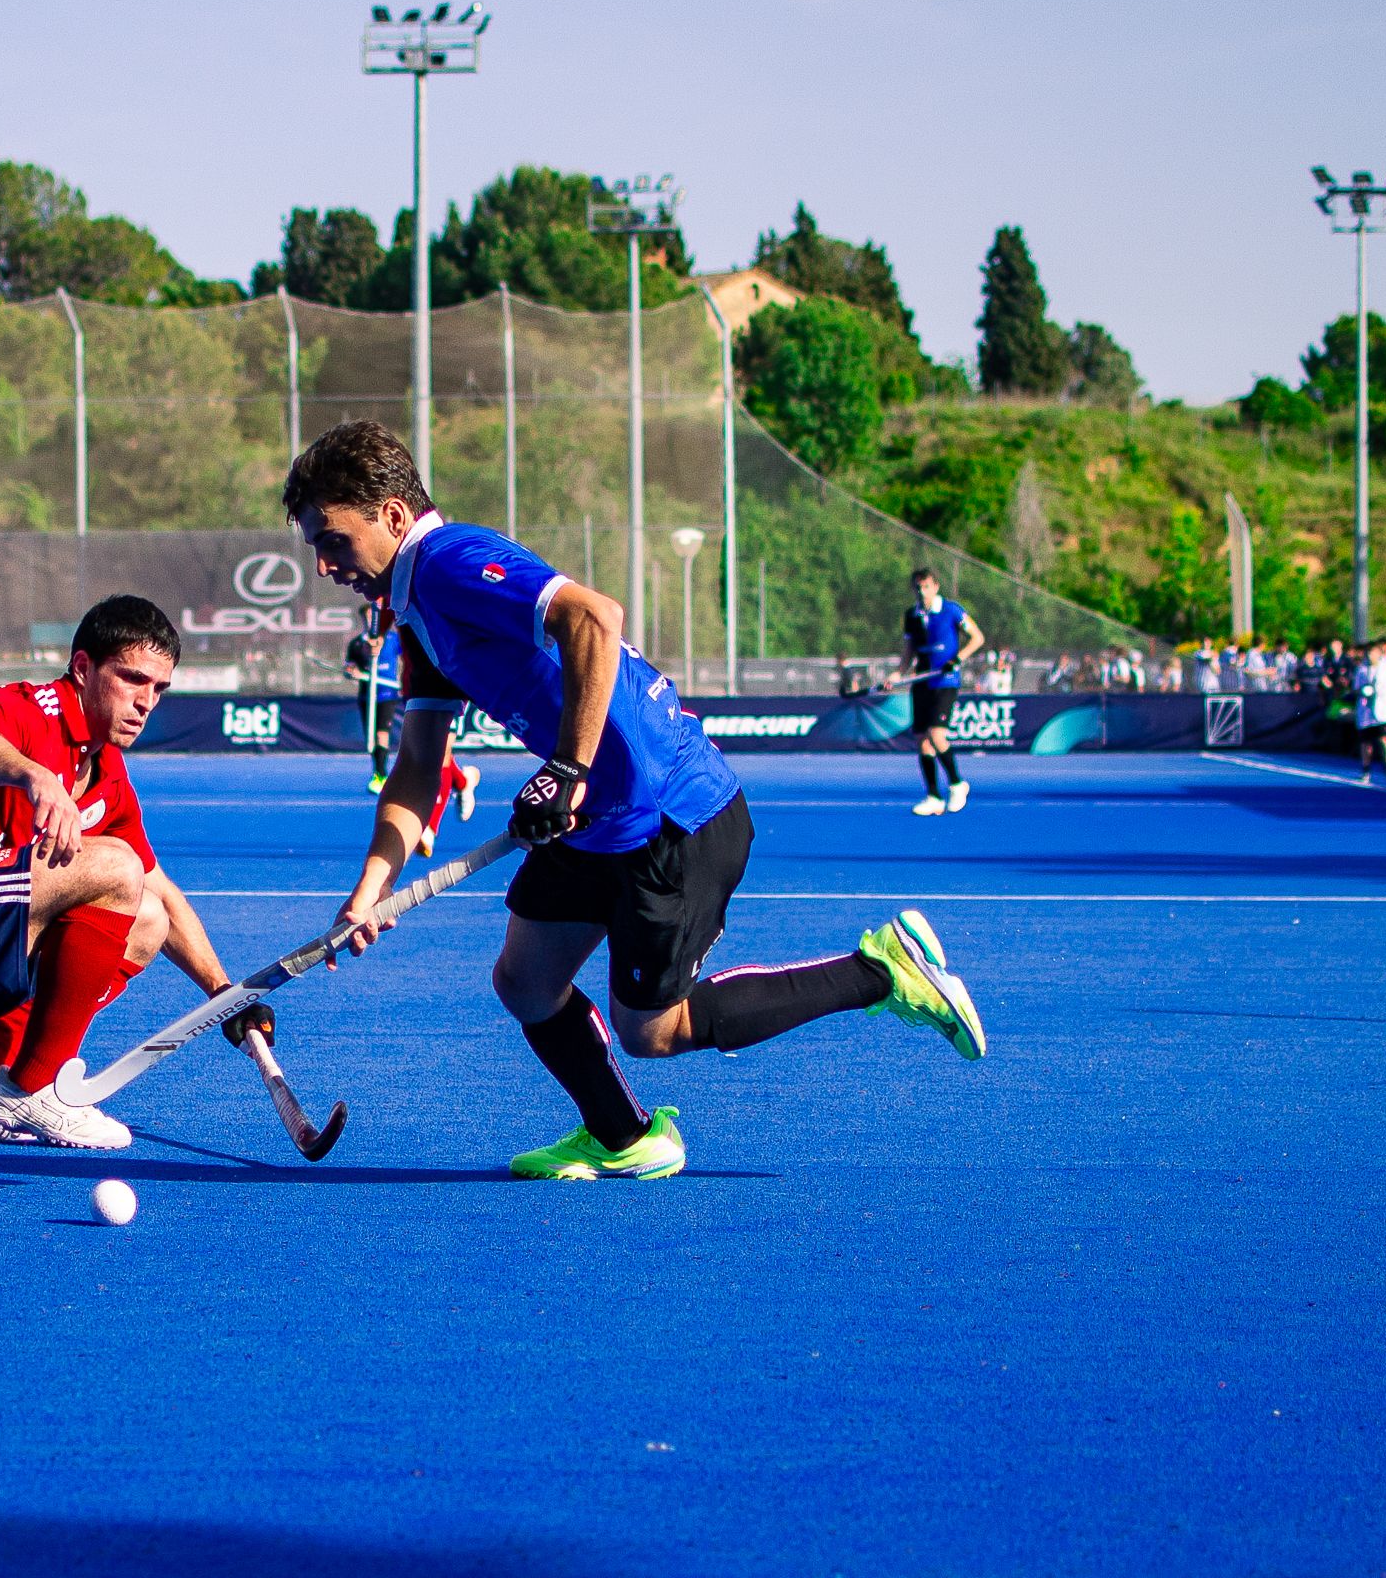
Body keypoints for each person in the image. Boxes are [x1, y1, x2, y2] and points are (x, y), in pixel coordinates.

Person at [279, 420, 985, 1182]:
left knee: (654, 1031)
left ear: (390, 515)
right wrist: (367, 896)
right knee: (524, 982)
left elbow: (594, 618)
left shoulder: (448, 562)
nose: (323, 565)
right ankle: (625, 1138)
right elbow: (417, 768)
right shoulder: (415, 611)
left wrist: (567, 767)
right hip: (593, 821)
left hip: (670, 815)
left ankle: (882, 970)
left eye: (333, 540)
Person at [0, 594, 262, 1153]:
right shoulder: (29, 709)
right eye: (132, 679)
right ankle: (35, 1087)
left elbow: (159, 888)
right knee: (115, 864)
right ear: (83, 667)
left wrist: (225, 996)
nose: (145, 703)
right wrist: (32, 775)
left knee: (147, 917)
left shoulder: (106, 773)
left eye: (159, 688)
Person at [348, 603, 479, 849]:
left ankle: (430, 828)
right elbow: (384, 604)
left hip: (451, 680)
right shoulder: (397, 581)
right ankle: (463, 781)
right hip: (416, 685)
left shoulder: (445, 577)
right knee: (425, 757)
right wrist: (376, 636)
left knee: (438, 757)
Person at [895, 566, 984, 815]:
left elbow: (978, 637)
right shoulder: (912, 615)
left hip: (944, 681)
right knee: (922, 741)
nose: (922, 592)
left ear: (936, 587)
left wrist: (958, 658)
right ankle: (933, 796)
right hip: (922, 680)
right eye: (918, 587)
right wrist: (897, 674)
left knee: (937, 734)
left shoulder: (951, 610)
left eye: (926, 587)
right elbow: (909, 651)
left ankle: (957, 783)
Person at [1357, 639, 1386, 785]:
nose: (1371, 656)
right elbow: (1356, 688)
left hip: (1381, 710)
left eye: (1373, 652)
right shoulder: (1362, 669)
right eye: (1368, 653)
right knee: (1366, 742)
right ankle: (1366, 770)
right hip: (1366, 711)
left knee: (1383, 738)